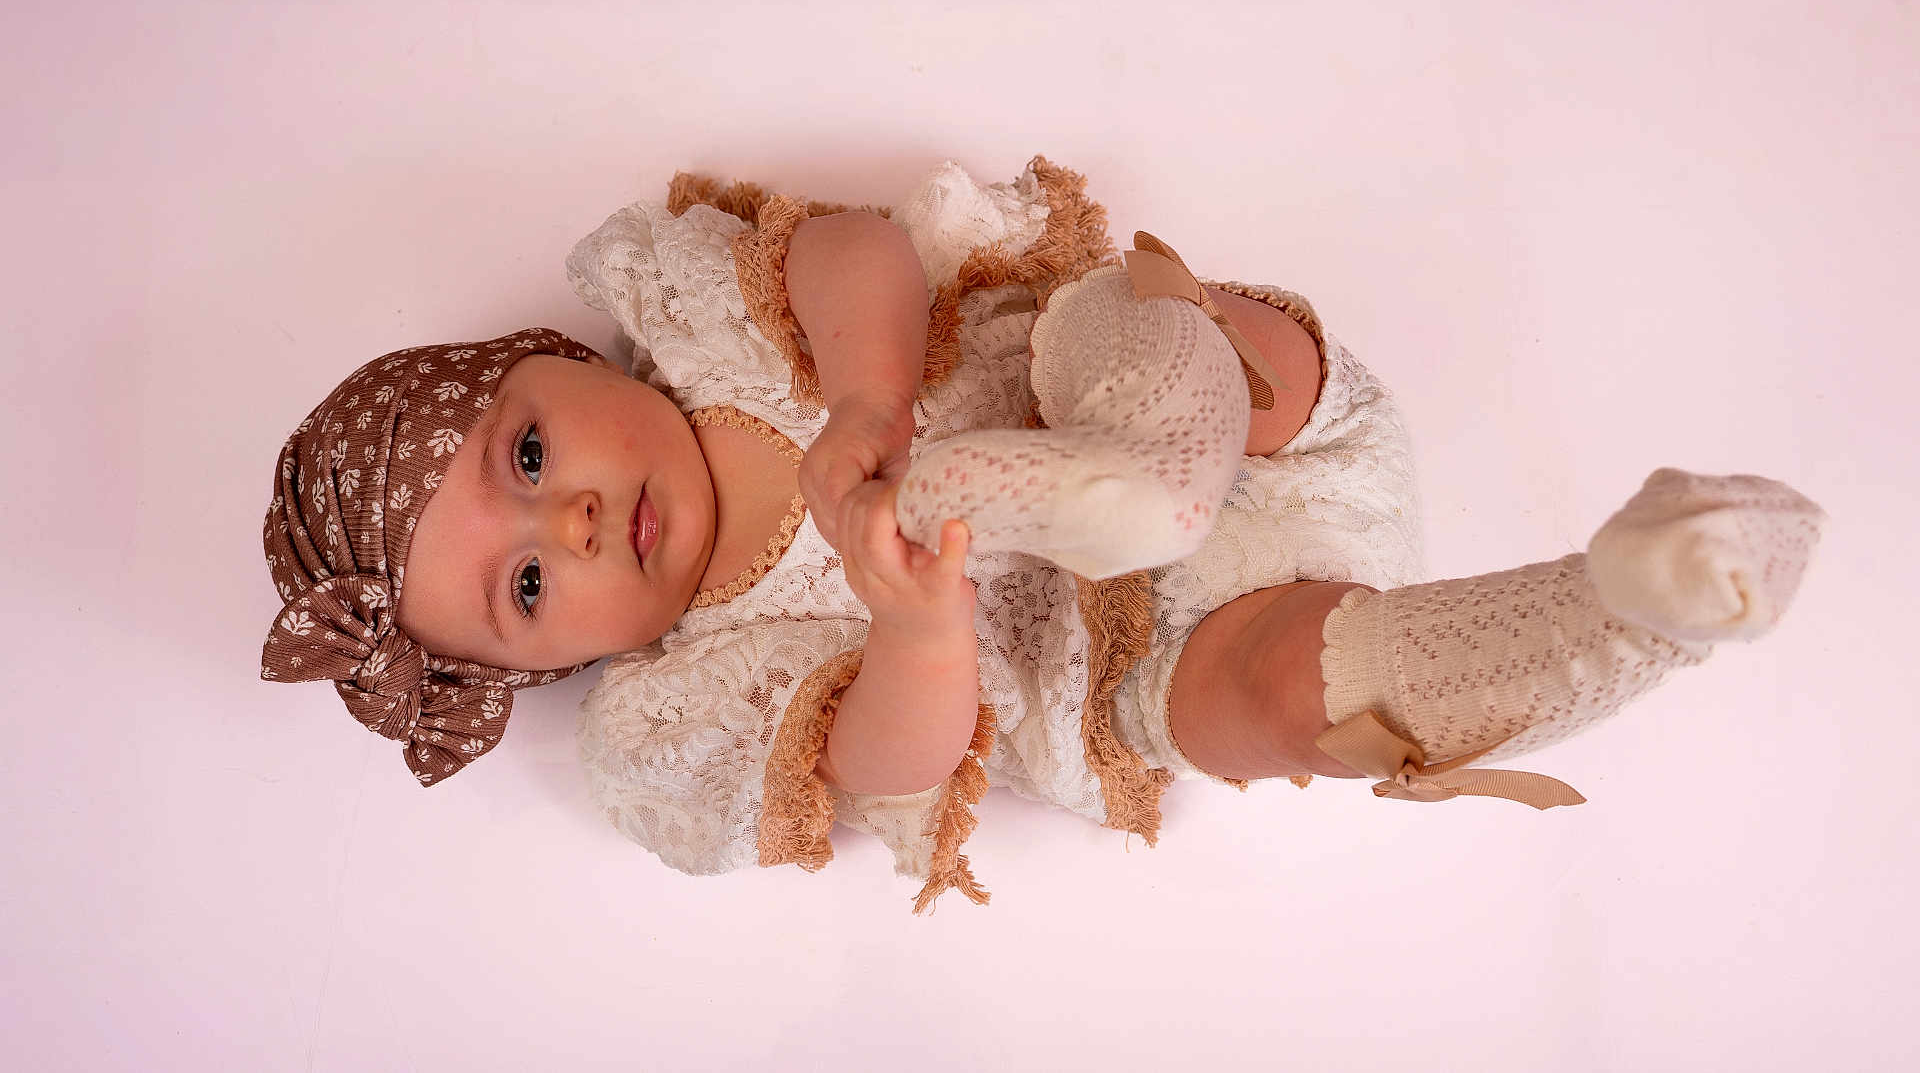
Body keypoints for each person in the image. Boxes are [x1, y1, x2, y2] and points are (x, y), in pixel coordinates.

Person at [260, 156, 1826, 914]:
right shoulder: (686, 702)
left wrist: (868, 406)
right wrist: (919, 626)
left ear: (557, 362)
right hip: (1142, 639)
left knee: (1155, 322)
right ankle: (1641, 602)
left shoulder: (696, 324)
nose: (579, 515)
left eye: (528, 453)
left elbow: (856, 247)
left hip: (1201, 420)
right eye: (530, 580)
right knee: (1260, 706)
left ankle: (1134, 472)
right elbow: (883, 763)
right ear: (551, 669)